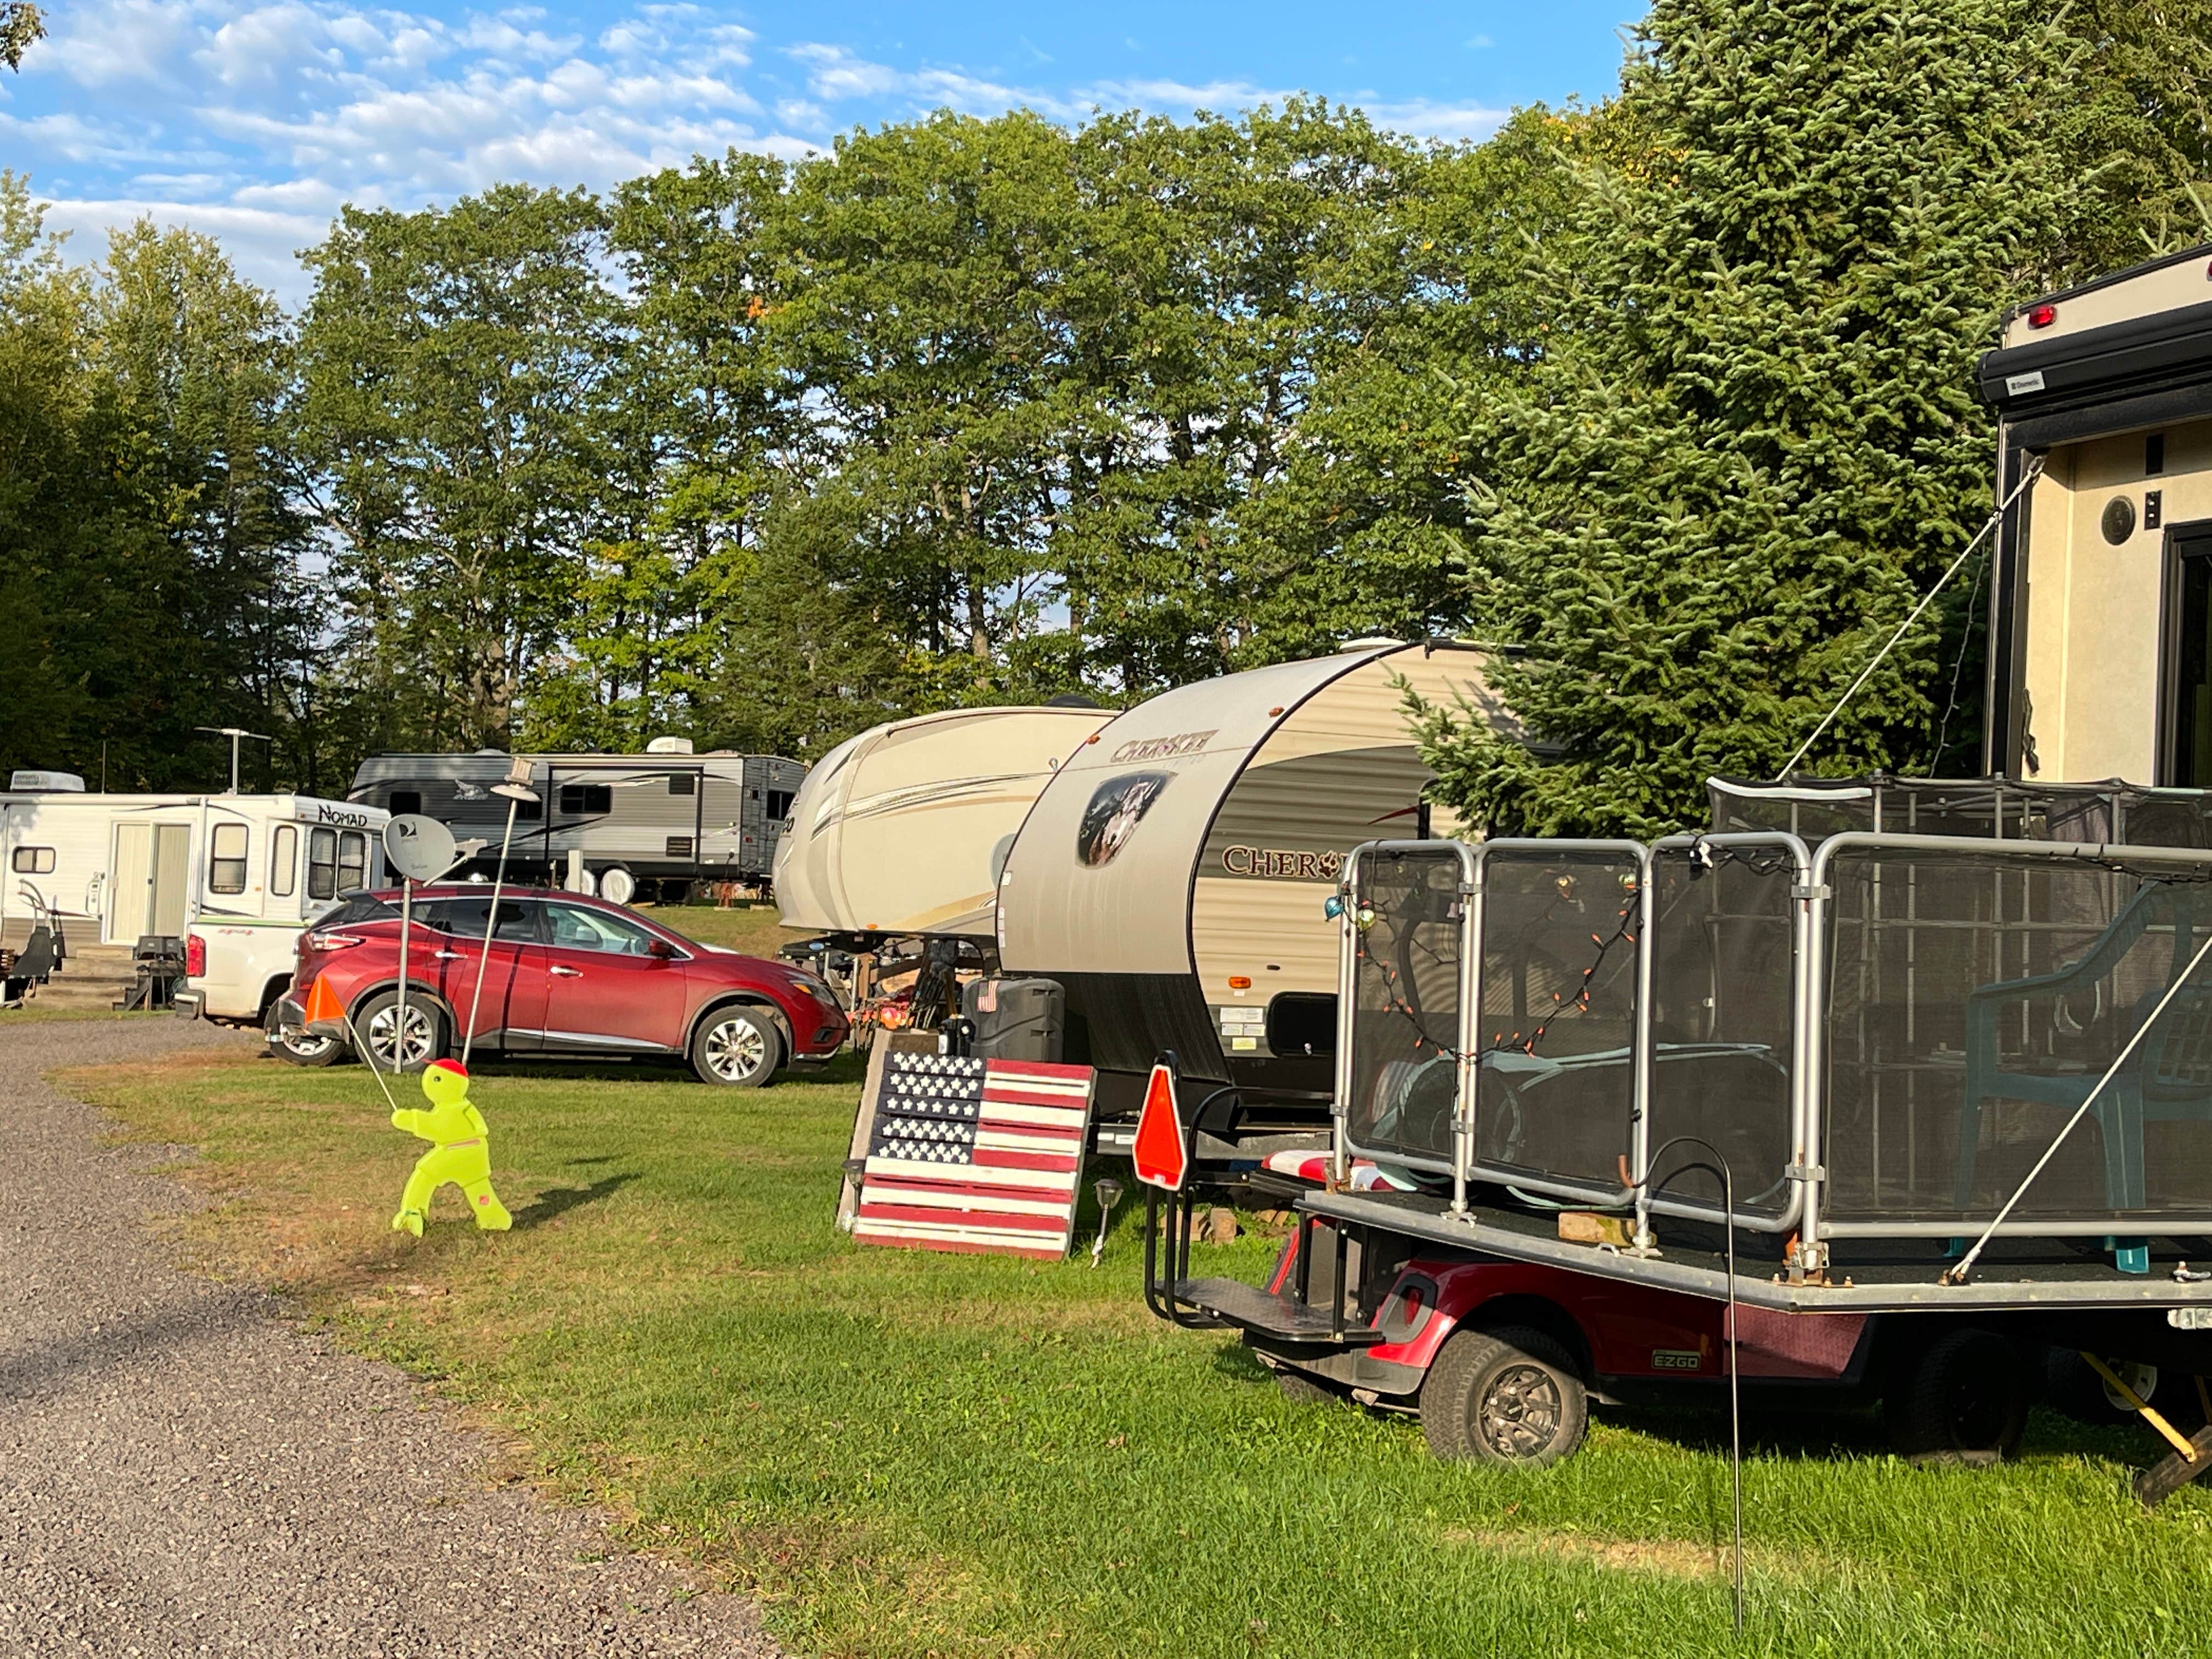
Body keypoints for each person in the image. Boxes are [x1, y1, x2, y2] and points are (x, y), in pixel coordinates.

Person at [390, 1058, 513, 1235]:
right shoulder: (464, 1107)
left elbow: (437, 1127)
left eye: (437, 1079)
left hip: (456, 1152)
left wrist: (409, 1120)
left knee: (424, 1175)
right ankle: (493, 1217)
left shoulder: (454, 1109)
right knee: (479, 1189)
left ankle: (412, 1213)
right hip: (472, 1152)